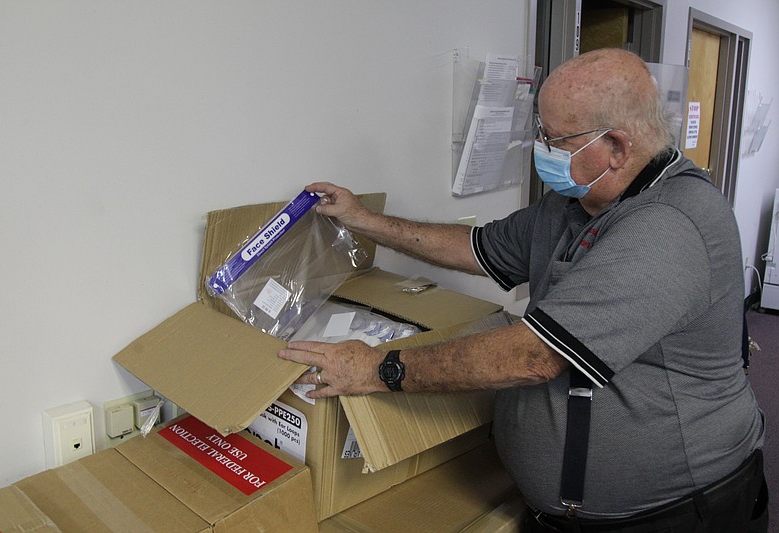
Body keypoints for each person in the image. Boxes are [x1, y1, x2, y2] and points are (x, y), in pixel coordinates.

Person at [278, 48, 768, 532]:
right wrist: (365, 221)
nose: (543, 151)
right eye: (541, 135)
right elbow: (476, 247)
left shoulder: (669, 226)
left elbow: (532, 357)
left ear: (617, 147)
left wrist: (379, 368)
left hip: (675, 512)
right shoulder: (574, 203)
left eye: (557, 140)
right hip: (560, 510)